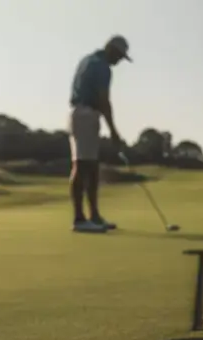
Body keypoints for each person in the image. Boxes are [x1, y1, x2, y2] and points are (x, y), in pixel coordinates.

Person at [67, 35, 131, 232]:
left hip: (82, 114)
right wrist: (113, 130)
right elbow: (104, 100)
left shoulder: (88, 60)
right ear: (111, 50)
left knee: (92, 167)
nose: (119, 61)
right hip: (85, 113)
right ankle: (79, 219)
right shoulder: (102, 67)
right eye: (119, 56)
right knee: (83, 165)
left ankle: (94, 216)